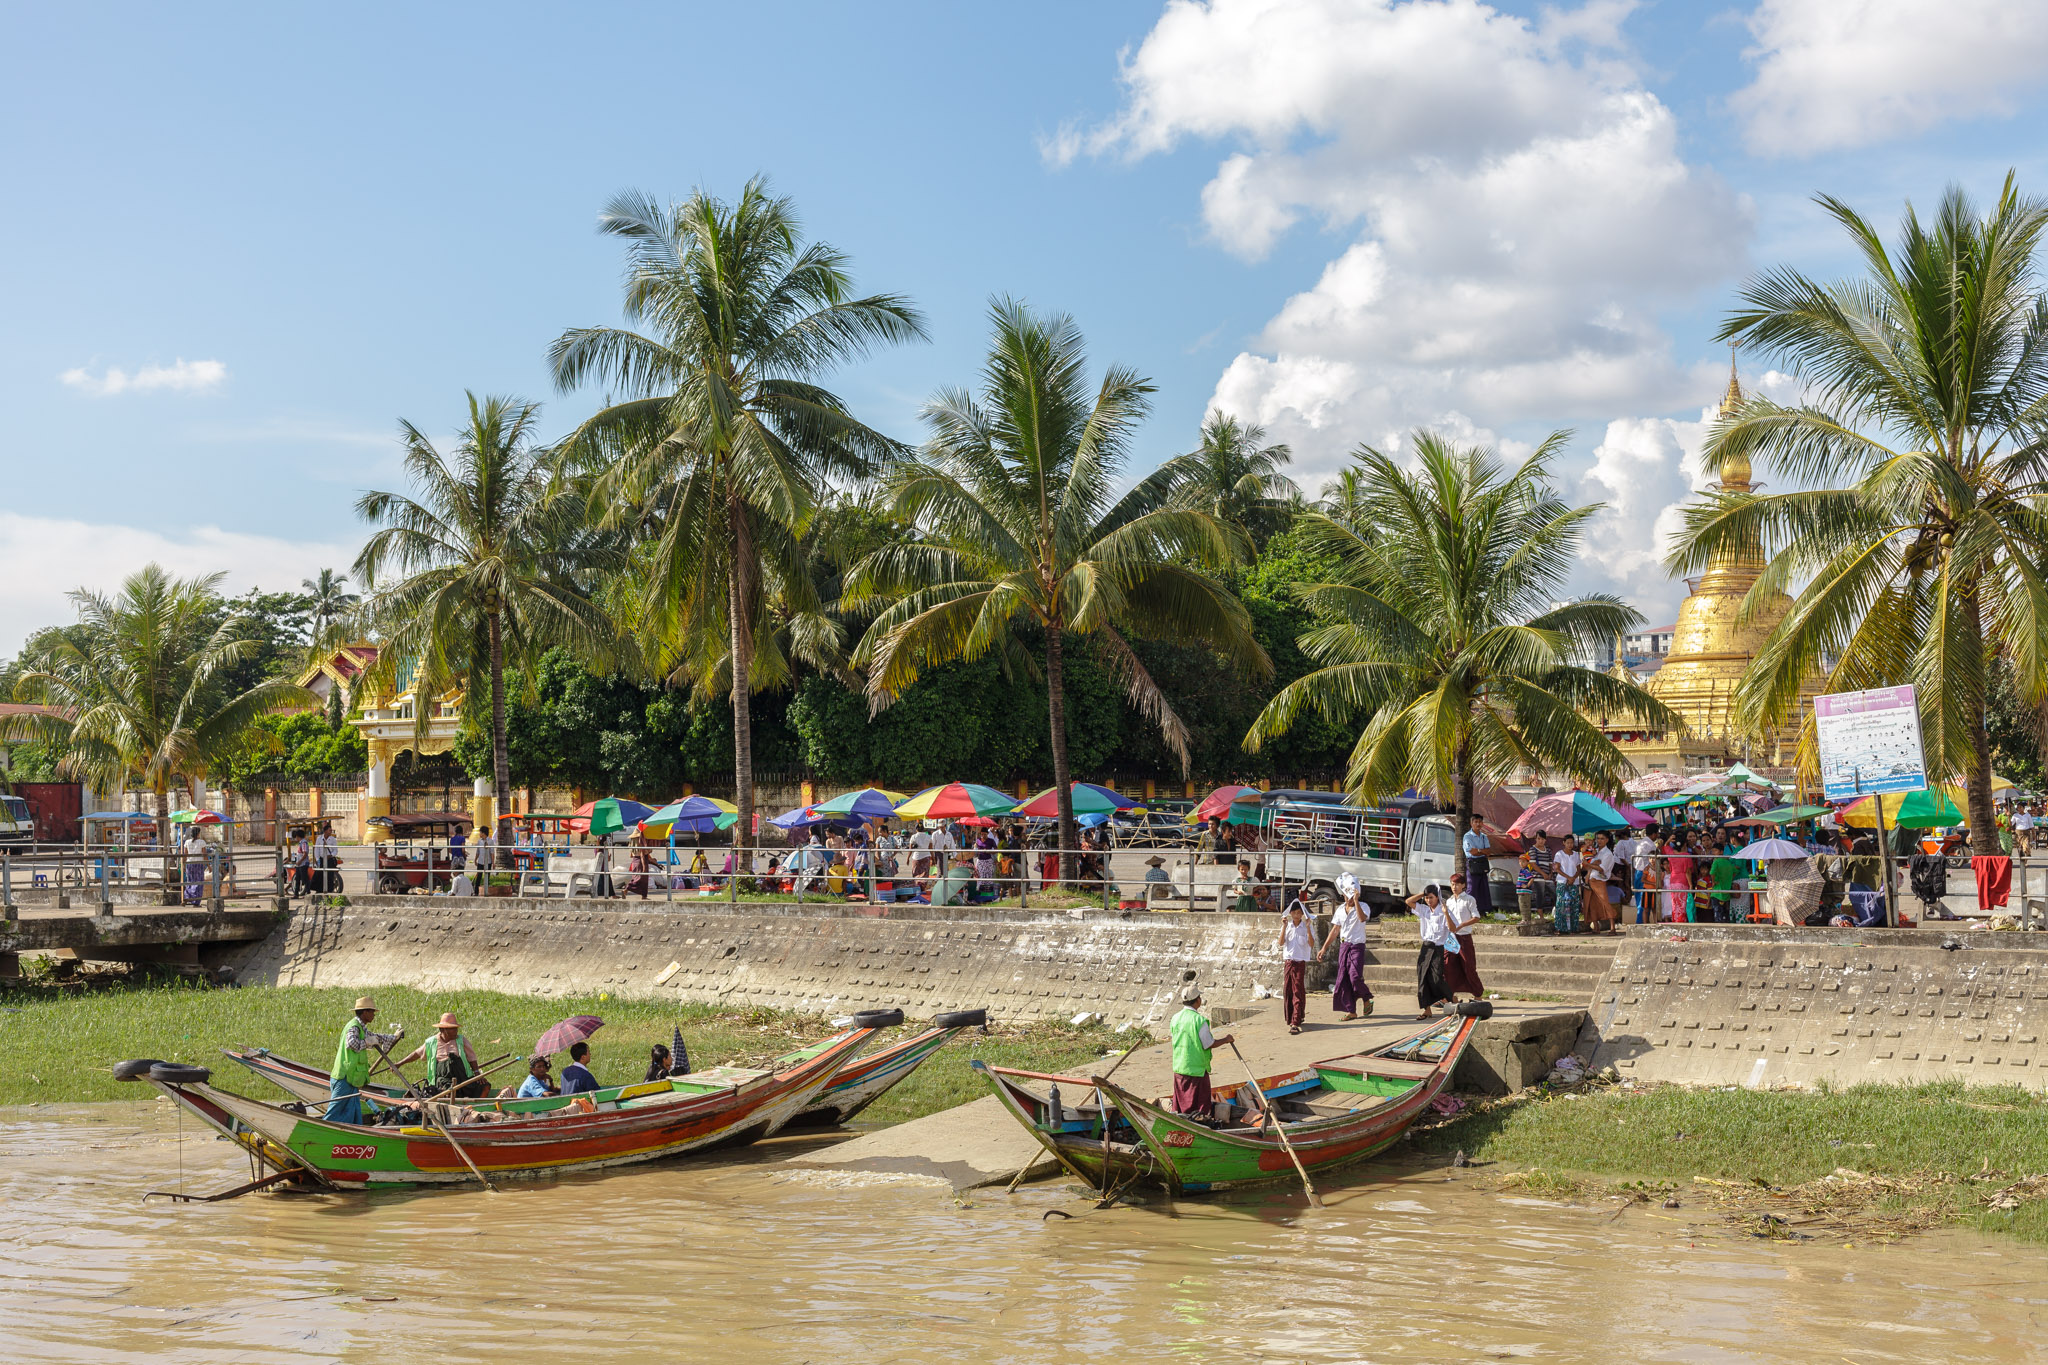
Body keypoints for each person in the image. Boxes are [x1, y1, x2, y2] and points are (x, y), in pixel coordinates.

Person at [328, 995, 400, 1125]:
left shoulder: (361, 1027)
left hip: (352, 1079)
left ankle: (352, 1135)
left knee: (353, 1113)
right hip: (344, 1077)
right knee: (335, 1112)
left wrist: (392, 1037)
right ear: (364, 1012)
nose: (373, 1014)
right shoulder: (354, 1027)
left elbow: (374, 1037)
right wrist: (366, 1043)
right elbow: (352, 1044)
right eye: (372, 1011)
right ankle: (324, 1133)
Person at [1168, 983, 1234, 1118]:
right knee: (1200, 1105)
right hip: (1196, 1068)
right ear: (1197, 1000)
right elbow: (1208, 1044)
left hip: (1180, 1066)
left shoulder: (1175, 1018)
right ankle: (1199, 1125)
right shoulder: (1199, 1020)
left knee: (1182, 1102)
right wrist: (1226, 1039)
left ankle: (1182, 1122)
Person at [397, 1012, 487, 1098]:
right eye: (452, 1029)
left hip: (463, 1078)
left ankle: (476, 1105)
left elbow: (471, 1057)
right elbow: (416, 1053)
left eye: (456, 1028)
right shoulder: (431, 1042)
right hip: (443, 1081)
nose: (456, 1031)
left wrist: (477, 1073)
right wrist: (400, 1063)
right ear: (442, 1029)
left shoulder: (461, 1040)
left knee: (485, 1086)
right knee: (447, 1092)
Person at [1320, 878, 1374, 1019]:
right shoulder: (1339, 910)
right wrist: (1324, 948)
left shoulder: (1363, 906)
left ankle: (1367, 997)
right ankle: (1351, 1010)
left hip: (1357, 946)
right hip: (1344, 946)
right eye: (1347, 896)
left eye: (1352, 897)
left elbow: (1362, 919)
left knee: (1355, 976)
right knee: (1343, 978)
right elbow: (1335, 930)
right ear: (1343, 895)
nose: (1349, 899)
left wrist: (1356, 902)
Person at [1408, 884, 1457, 1018]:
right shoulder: (1424, 910)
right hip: (1426, 947)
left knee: (1436, 979)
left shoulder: (1444, 910)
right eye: (1427, 898)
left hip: (1438, 948)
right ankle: (1426, 1010)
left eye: (1431, 897)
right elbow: (1409, 902)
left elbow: (1453, 929)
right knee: (1422, 978)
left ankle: (1451, 998)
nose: (1429, 900)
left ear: (1437, 897)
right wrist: (1421, 894)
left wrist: (1446, 913)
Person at [1441, 872, 1486, 999]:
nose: (1454, 887)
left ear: (1463, 885)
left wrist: (1461, 925)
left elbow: (1476, 917)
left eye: (1457, 884)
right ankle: (1449, 995)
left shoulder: (1469, 900)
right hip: (1451, 938)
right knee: (1448, 965)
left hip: (1464, 937)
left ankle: (1477, 995)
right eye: (1452, 884)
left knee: (1468, 965)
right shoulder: (1449, 901)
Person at [1279, 899, 1313, 1034]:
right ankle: (1292, 1017)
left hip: (1299, 962)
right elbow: (1281, 942)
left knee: (1297, 991)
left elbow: (1311, 943)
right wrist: (1284, 927)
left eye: (1299, 913)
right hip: (1288, 962)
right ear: (1291, 913)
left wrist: (1309, 928)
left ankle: (1295, 1022)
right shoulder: (1287, 926)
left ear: (1302, 914)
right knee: (1288, 991)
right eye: (1295, 913)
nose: (1297, 915)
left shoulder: (1305, 927)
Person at [1461, 818, 1494, 917]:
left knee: (1483, 887)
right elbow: (1471, 851)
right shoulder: (1467, 836)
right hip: (1472, 863)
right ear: (1471, 823)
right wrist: (1481, 851)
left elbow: (1488, 851)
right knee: (1472, 888)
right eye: (1476, 822)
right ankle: (1468, 911)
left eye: (1480, 822)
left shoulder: (1484, 837)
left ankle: (1482, 911)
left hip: (1482, 863)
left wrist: (1479, 850)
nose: (1478, 824)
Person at [1552, 836, 1584, 935]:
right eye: (1568, 843)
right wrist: (1568, 877)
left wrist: (1573, 878)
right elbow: (1557, 868)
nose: (1570, 845)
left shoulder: (1576, 855)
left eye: (1571, 843)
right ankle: (1559, 927)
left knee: (1574, 904)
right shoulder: (1559, 854)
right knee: (1561, 904)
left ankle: (1573, 928)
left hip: (1574, 883)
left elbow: (1579, 869)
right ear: (1564, 843)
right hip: (1562, 882)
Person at [1513, 850, 1539, 932]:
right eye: (1520, 862)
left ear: (1527, 862)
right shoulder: (1522, 870)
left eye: (1523, 862)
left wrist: (1527, 885)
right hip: (1521, 891)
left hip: (1525, 892)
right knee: (1522, 905)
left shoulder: (1526, 871)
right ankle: (1526, 919)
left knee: (1524, 905)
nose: (1521, 863)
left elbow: (1531, 879)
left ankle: (1525, 919)